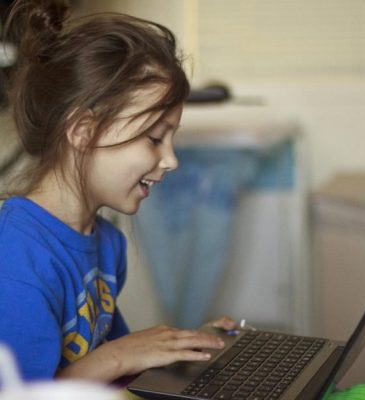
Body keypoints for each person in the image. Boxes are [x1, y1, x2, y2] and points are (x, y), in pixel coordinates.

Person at [0, 0, 235, 383]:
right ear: (83, 132)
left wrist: (187, 343)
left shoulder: (106, 242)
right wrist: (119, 355)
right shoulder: (14, 257)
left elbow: (119, 369)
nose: (171, 160)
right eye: (154, 138)